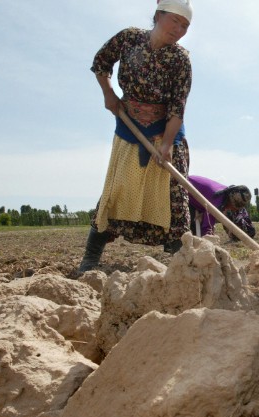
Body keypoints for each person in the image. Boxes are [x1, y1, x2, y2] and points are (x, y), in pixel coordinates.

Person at [78, 0, 193, 273]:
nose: (179, 29)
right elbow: (101, 62)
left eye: (185, 25)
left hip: (166, 132)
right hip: (129, 128)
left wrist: (166, 144)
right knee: (116, 193)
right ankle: (90, 259)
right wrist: (108, 94)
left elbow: (178, 106)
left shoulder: (180, 60)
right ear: (157, 16)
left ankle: (184, 268)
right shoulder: (130, 38)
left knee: (174, 199)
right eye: (175, 21)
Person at [187, 175, 256, 240]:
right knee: (194, 231)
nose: (233, 209)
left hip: (197, 194)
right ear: (230, 201)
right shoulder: (217, 200)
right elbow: (207, 227)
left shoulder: (229, 193)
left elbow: (245, 219)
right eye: (233, 207)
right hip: (186, 187)